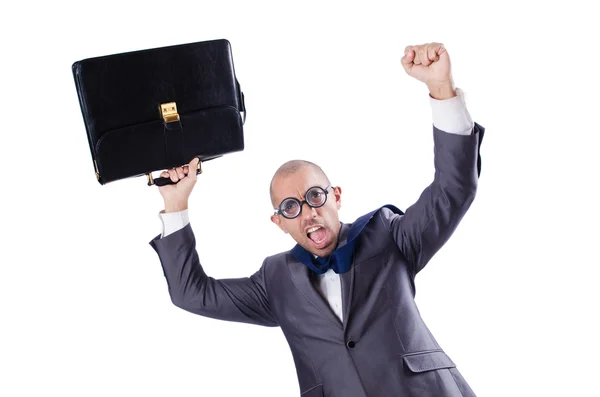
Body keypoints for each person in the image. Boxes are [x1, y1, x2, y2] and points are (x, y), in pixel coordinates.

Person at [149, 42, 484, 397]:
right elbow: (191, 294)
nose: (308, 212)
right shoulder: (275, 281)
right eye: (291, 207)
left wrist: (441, 90)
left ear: (335, 196)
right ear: (279, 222)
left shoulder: (388, 235)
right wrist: (176, 201)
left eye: (315, 197)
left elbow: (453, 189)